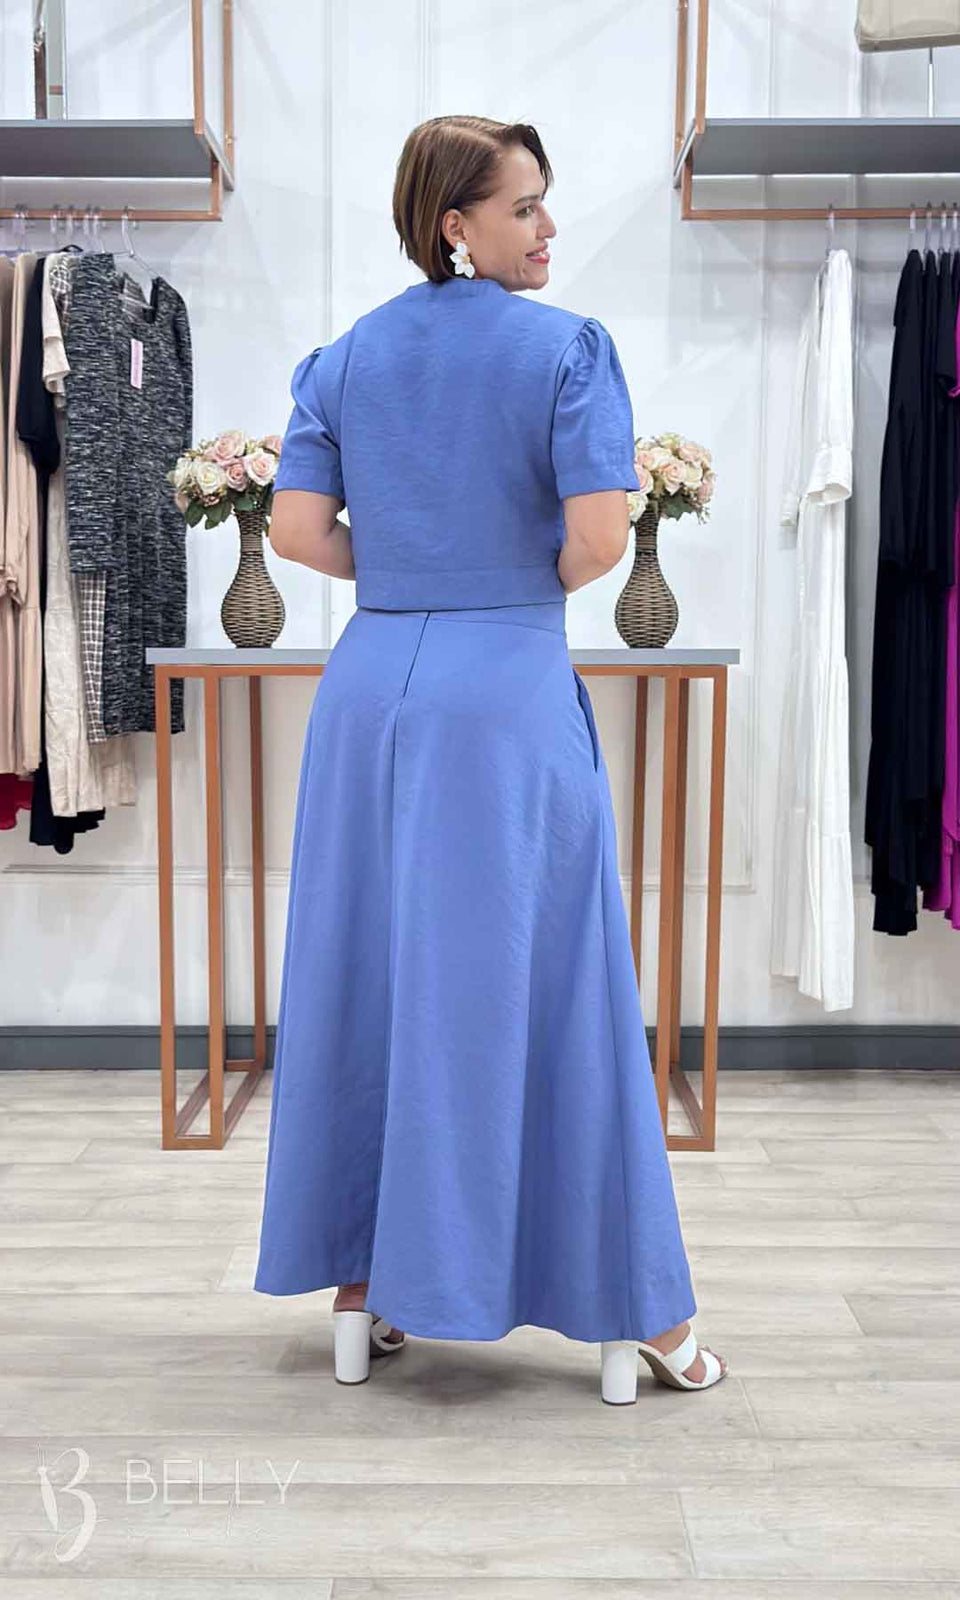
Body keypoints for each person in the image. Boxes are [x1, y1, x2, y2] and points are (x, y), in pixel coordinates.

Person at [253, 114, 727, 1406]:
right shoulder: (567, 350)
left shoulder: (345, 357)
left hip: (369, 691)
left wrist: (412, 573)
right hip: (504, 689)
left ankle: (366, 1282)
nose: (548, 226)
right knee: (558, 982)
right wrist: (499, 580)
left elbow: (295, 533)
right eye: (524, 206)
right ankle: (643, 1308)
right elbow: (598, 540)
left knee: (371, 974)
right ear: (454, 224)